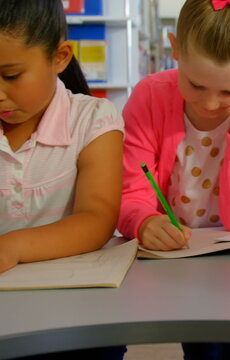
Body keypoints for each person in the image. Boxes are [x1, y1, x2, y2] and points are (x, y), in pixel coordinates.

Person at [118, 0, 230, 358]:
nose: (211, 104)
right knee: (199, 349)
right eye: (196, 85)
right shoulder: (150, 95)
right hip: (180, 256)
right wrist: (143, 220)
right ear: (175, 49)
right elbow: (129, 192)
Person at [0, 0, 126, 358]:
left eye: (11, 75)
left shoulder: (94, 120)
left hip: (80, 314)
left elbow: (97, 218)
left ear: (59, 57)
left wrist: (13, 246)